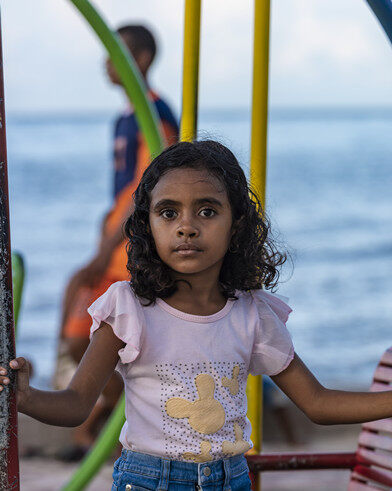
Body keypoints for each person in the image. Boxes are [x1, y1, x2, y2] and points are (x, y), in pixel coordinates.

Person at [2, 140, 392, 490]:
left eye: (207, 210)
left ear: (236, 223)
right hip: (149, 479)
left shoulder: (253, 315)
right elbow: (76, 404)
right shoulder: (128, 308)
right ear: (148, 226)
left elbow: (316, 403)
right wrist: (27, 397)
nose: (187, 225)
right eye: (169, 212)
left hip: (231, 478)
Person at [53, 24, 179, 460]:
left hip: (129, 249)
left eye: (116, 53)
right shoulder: (126, 117)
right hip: (113, 242)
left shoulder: (156, 115)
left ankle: (96, 423)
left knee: (96, 332)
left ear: (140, 59)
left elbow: (148, 189)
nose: (107, 62)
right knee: (77, 328)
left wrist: (107, 248)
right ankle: (96, 417)